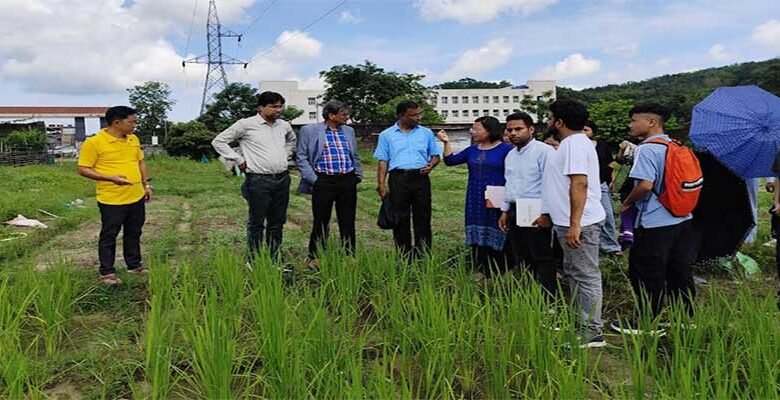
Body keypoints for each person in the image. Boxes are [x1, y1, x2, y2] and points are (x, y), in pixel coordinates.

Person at [612, 103, 697, 335]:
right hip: (680, 218)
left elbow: (645, 186)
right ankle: (684, 317)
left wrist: (627, 202)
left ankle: (647, 322)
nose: (630, 124)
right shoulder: (674, 145)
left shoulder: (646, 149)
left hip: (653, 222)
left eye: (633, 120)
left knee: (646, 271)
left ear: (651, 122)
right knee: (679, 269)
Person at [535, 99, 606, 348]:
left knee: (585, 275)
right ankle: (582, 324)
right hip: (568, 222)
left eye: (549, 116)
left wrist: (575, 224)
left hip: (581, 224)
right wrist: (550, 215)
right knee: (576, 273)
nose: (547, 121)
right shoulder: (571, 144)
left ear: (560, 122)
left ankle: (592, 332)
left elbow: (579, 184)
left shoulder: (575, 145)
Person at [211, 91, 296, 265]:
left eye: (280, 106)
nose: (278, 110)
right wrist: (238, 159)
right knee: (257, 222)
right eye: (273, 106)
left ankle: (274, 259)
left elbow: (291, 141)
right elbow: (219, 141)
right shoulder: (246, 124)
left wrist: (284, 155)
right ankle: (254, 260)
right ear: (261, 107)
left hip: (282, 179)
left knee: (277, 221)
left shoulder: (284, 125)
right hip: (258, 180)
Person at [77, 106, 152, 285]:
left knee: (134, 232)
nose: (135, 125)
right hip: (112, 199)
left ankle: (134, 265)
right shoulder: (94, 142)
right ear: (116, 123)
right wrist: (109, 178)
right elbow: (82, 168)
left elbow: (140, 162)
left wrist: (146, 184)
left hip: (136, 195)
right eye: (132, 121)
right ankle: (107, 272)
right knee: (109, 235)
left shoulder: (133, 139)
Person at [438, 117, 513, 275]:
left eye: (476, 129)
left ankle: (499, 270)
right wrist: (446, 142)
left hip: (498, 198)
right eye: (472, 129)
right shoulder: (472, 149)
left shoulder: (506, 150)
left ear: (489, 131)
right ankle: (480, 267)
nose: (473, 132)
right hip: (475, 197)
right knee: (476, 230)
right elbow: (451, 160)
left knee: (498, 229)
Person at [296, 101, 362, 268]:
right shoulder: (309, 131)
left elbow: (354, 154)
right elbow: (301, 157)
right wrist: (314, 179)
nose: (347, 117)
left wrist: (357, 175)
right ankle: (315, 257)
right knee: (321, 220)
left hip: (347, 179)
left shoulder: (349, 131)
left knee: (347, 220)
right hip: (323, 180)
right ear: (331, 115)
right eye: (344, 114)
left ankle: (349, 254)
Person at [496, 112, 556, 295]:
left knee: (541, 254)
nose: (513, 133)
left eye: (518, 129)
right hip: (516, 207)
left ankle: (548, 297)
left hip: (536, 207)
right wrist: (505, 210)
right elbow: (510, 183)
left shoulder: (544, 151)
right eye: (510, 129)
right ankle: (529, 294)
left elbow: (551, 184)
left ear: (531, 129)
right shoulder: (511, 155)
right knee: (521, 253)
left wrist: (546, 214)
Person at [374, 100, 441, 259]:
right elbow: (383, 161)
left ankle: (423, 255)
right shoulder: (386, 135)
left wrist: (431, 165)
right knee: (400, 219)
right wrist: (381, 184)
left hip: (420, 178)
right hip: (398, 179)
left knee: (423, 218)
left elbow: (436, 156)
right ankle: (404, 255)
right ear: (401, 116)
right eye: (413, 115)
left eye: (419, 114)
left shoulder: (426, 133)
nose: (418, 118)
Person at [583, 120, 622, 255]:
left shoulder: (601, 145)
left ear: (593, 131)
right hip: (581, 186)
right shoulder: (574, 148)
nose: (583, 133)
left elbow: (610, 164)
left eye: (586, 130)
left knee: (608, 215)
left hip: (600, 185)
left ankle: (611, 247)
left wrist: (612, 181)